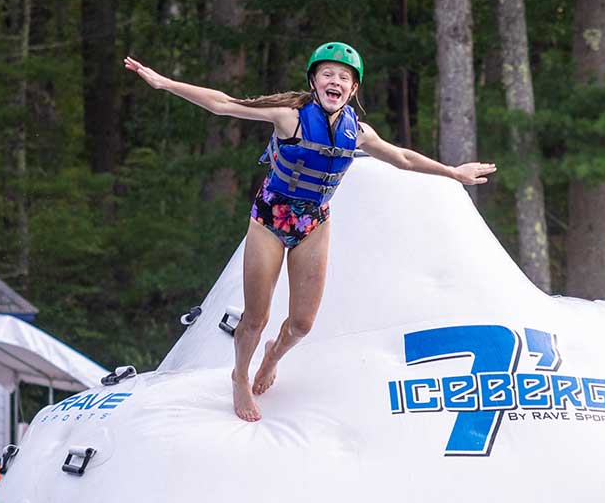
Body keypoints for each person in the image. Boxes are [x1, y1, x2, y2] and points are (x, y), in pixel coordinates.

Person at [125, 43, 496, 423]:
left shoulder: (359, 132)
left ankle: (271, 357)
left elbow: (402, 157)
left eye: (344, 77)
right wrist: (164, 82)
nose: (334, 81)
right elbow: (223, 103)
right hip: (271, 219)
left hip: (313, 223)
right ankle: (239, 375)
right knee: (255, 317)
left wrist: (453, 172)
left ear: (353, 90)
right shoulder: (290, 117)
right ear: (314, 82)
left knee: (302, 324)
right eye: (327, 74)